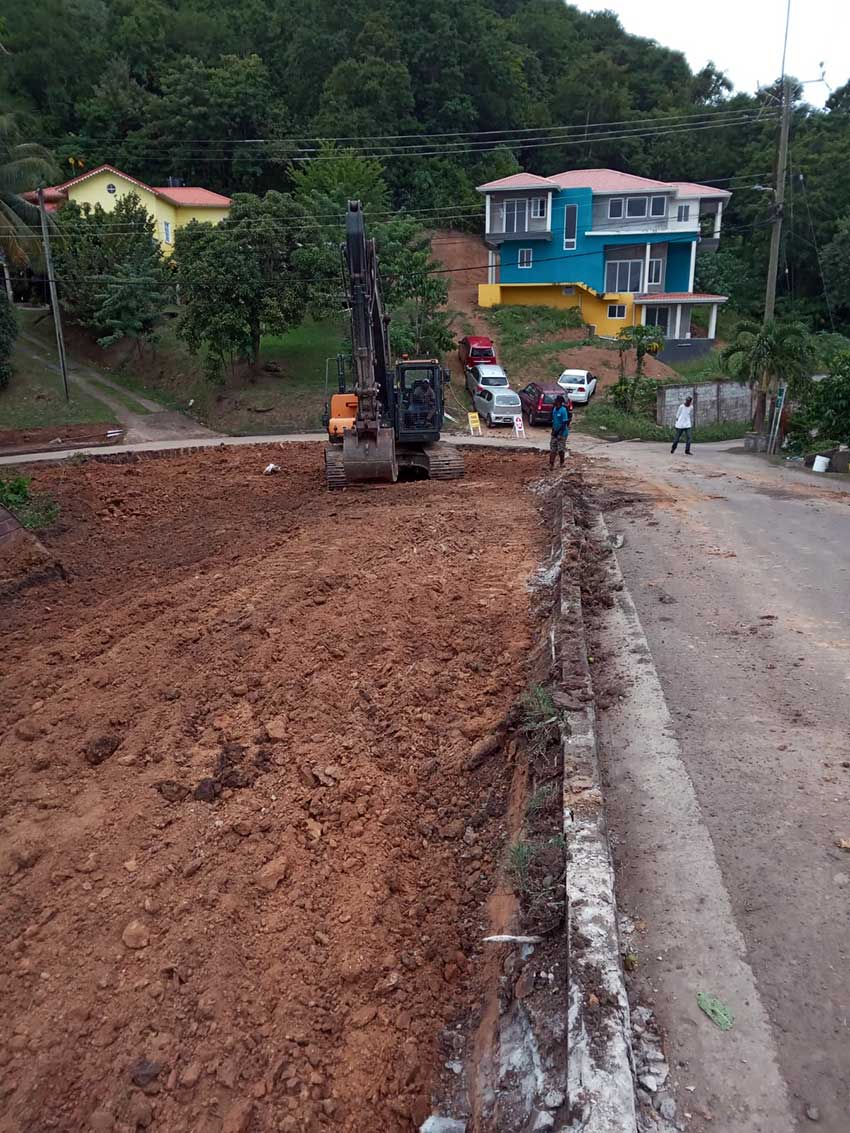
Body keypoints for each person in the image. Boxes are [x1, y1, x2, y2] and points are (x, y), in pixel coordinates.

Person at [549, 394, 571, 469]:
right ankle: (551, 464)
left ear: (559, 402)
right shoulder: (555, 409)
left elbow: (564, 423)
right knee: (553, 448)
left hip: (562, 433)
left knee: (560, 450)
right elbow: (554, 421)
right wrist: (553, 431)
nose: (554, 402)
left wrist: (559, 433)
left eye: (556, 401)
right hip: (555, 432)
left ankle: (562, 462)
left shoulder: (563, 410)